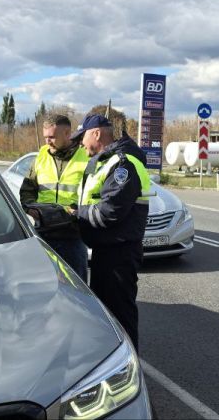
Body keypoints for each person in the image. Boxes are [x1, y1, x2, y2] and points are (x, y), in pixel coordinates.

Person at [71, 113, 150, 350]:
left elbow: (110, 212)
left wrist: (76, 214)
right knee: (107, 315)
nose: (80, 143)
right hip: (106, 251)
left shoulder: (123, 164)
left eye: (82, 137)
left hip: (119, 254)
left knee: (120, 317)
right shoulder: (107, 161)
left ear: (96, 133)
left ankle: (129, 371)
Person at [19, 114, 89, 278]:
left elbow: (93, 194)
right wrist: (30, 208)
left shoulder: (85, 156)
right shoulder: (42, 155)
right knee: (43, 284)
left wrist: (79, 212)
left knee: (76, 285)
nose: (47, 141)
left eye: (52, 137)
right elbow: (27, 189)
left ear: (67, 134)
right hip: (44, 232)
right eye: (45, 137)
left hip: (72, 234)